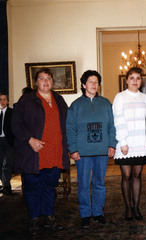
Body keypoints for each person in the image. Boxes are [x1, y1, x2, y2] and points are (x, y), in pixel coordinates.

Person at [11, 68, 69, 235]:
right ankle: (34, 218)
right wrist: (30, 139)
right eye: (42, 78)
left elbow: (66, 124)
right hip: (33, 153)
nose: (45, 81)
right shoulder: (26, 100)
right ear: (36, 82)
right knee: (32, 187)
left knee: (50, 187)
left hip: (54, 152)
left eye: (48, 78)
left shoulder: (59, 100)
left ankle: (48, 216)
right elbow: (16, 124)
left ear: (52, 81)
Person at [66, 70, 117, 229]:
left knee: (99, 183)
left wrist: (112, 144)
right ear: (83, 85)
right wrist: (73, 149)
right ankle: (85, 214)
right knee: (83, 184)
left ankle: (98, 212)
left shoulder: (106, 103)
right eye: (90, 82)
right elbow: (70, 128)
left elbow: (112, 127)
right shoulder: (76, 105)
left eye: (96, 82)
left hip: (102, 151)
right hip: (83, 153)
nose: (94, 85)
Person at [112, 67, 146, 221]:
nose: (135, 81)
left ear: (141, 81)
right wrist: (123, 141)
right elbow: (118, 120)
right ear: (126, 80)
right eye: (132, 78)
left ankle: (136, 206)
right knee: (126, 175)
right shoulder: (120, 97)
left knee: (137, 174)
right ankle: (128, 207)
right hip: (125, 142)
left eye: (138, 78)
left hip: (140, 142)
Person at [0, 93, 15, 195]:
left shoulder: (12, 112)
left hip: (8, 141)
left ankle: (7, 185)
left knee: (7, 164)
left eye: (4, 99)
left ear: (8, 101)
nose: (2, 101)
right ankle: (3, 184)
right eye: (0, 99)